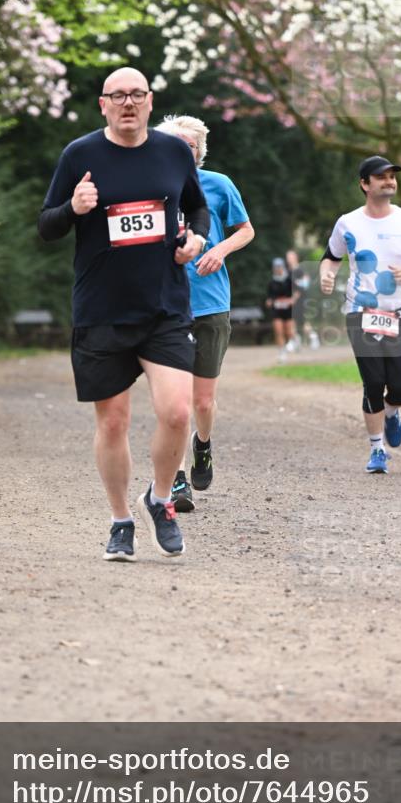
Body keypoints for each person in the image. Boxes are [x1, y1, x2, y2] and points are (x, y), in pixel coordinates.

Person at [38, 68, 210, 562]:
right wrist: (74, 207)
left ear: (150, 102)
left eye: (137, 95)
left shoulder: (174, 152)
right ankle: (120, 522)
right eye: (118, 96)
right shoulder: (80, 155)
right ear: (103, 104)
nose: (128, 103)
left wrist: (196, 239)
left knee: (178, 412)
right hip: (102, 310)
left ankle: (160, 499)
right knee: (112, 423)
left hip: (164, 306)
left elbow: (196, 209)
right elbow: (47, 225)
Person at [155, 115, 255, 512]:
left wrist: (220, 249)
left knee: (202, 401)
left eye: (191, 145)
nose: (184, 150)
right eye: (177, 144)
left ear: (199, 152)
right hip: (166, 306)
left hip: (211, 302)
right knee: (176, 402)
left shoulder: (219, 184)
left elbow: (245, 230)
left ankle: (203, 444)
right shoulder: (151, 186)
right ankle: (179, 479)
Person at [319, 155, 401, 473]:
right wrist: (326, 275)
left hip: (397, 313)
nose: (389, 181)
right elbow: (331, 256)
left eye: (392, 176)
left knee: (400, 389)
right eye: (381, 176)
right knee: (374, 382)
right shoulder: (348, 222)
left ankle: (393, 412)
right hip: (360, 312)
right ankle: (377, 449)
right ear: (365, 184)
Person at [265, 258, 299, 363]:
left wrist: (292, 300)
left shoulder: (289, 279)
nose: (277, 269)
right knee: (278, 331)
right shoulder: (272, 282)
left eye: (279, 267)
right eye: (276, 267)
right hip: (277, 309)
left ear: (283, 267)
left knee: (289, 332)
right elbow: (270, 297)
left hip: (288, 309)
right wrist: (269, 302)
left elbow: (297, 292)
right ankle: (282, 353)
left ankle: (295, 339)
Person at [286, 249, 320, 350]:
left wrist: (294, 299)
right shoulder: (288, 271)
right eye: (288, 257)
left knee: (301, 322)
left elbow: (302, 286)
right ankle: (295, 340)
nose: (288, 259)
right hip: (291, 300)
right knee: (292, 321)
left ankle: (312, 337)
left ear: (295, 257)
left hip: (299, 300)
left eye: (290, 256)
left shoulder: (300, 270)